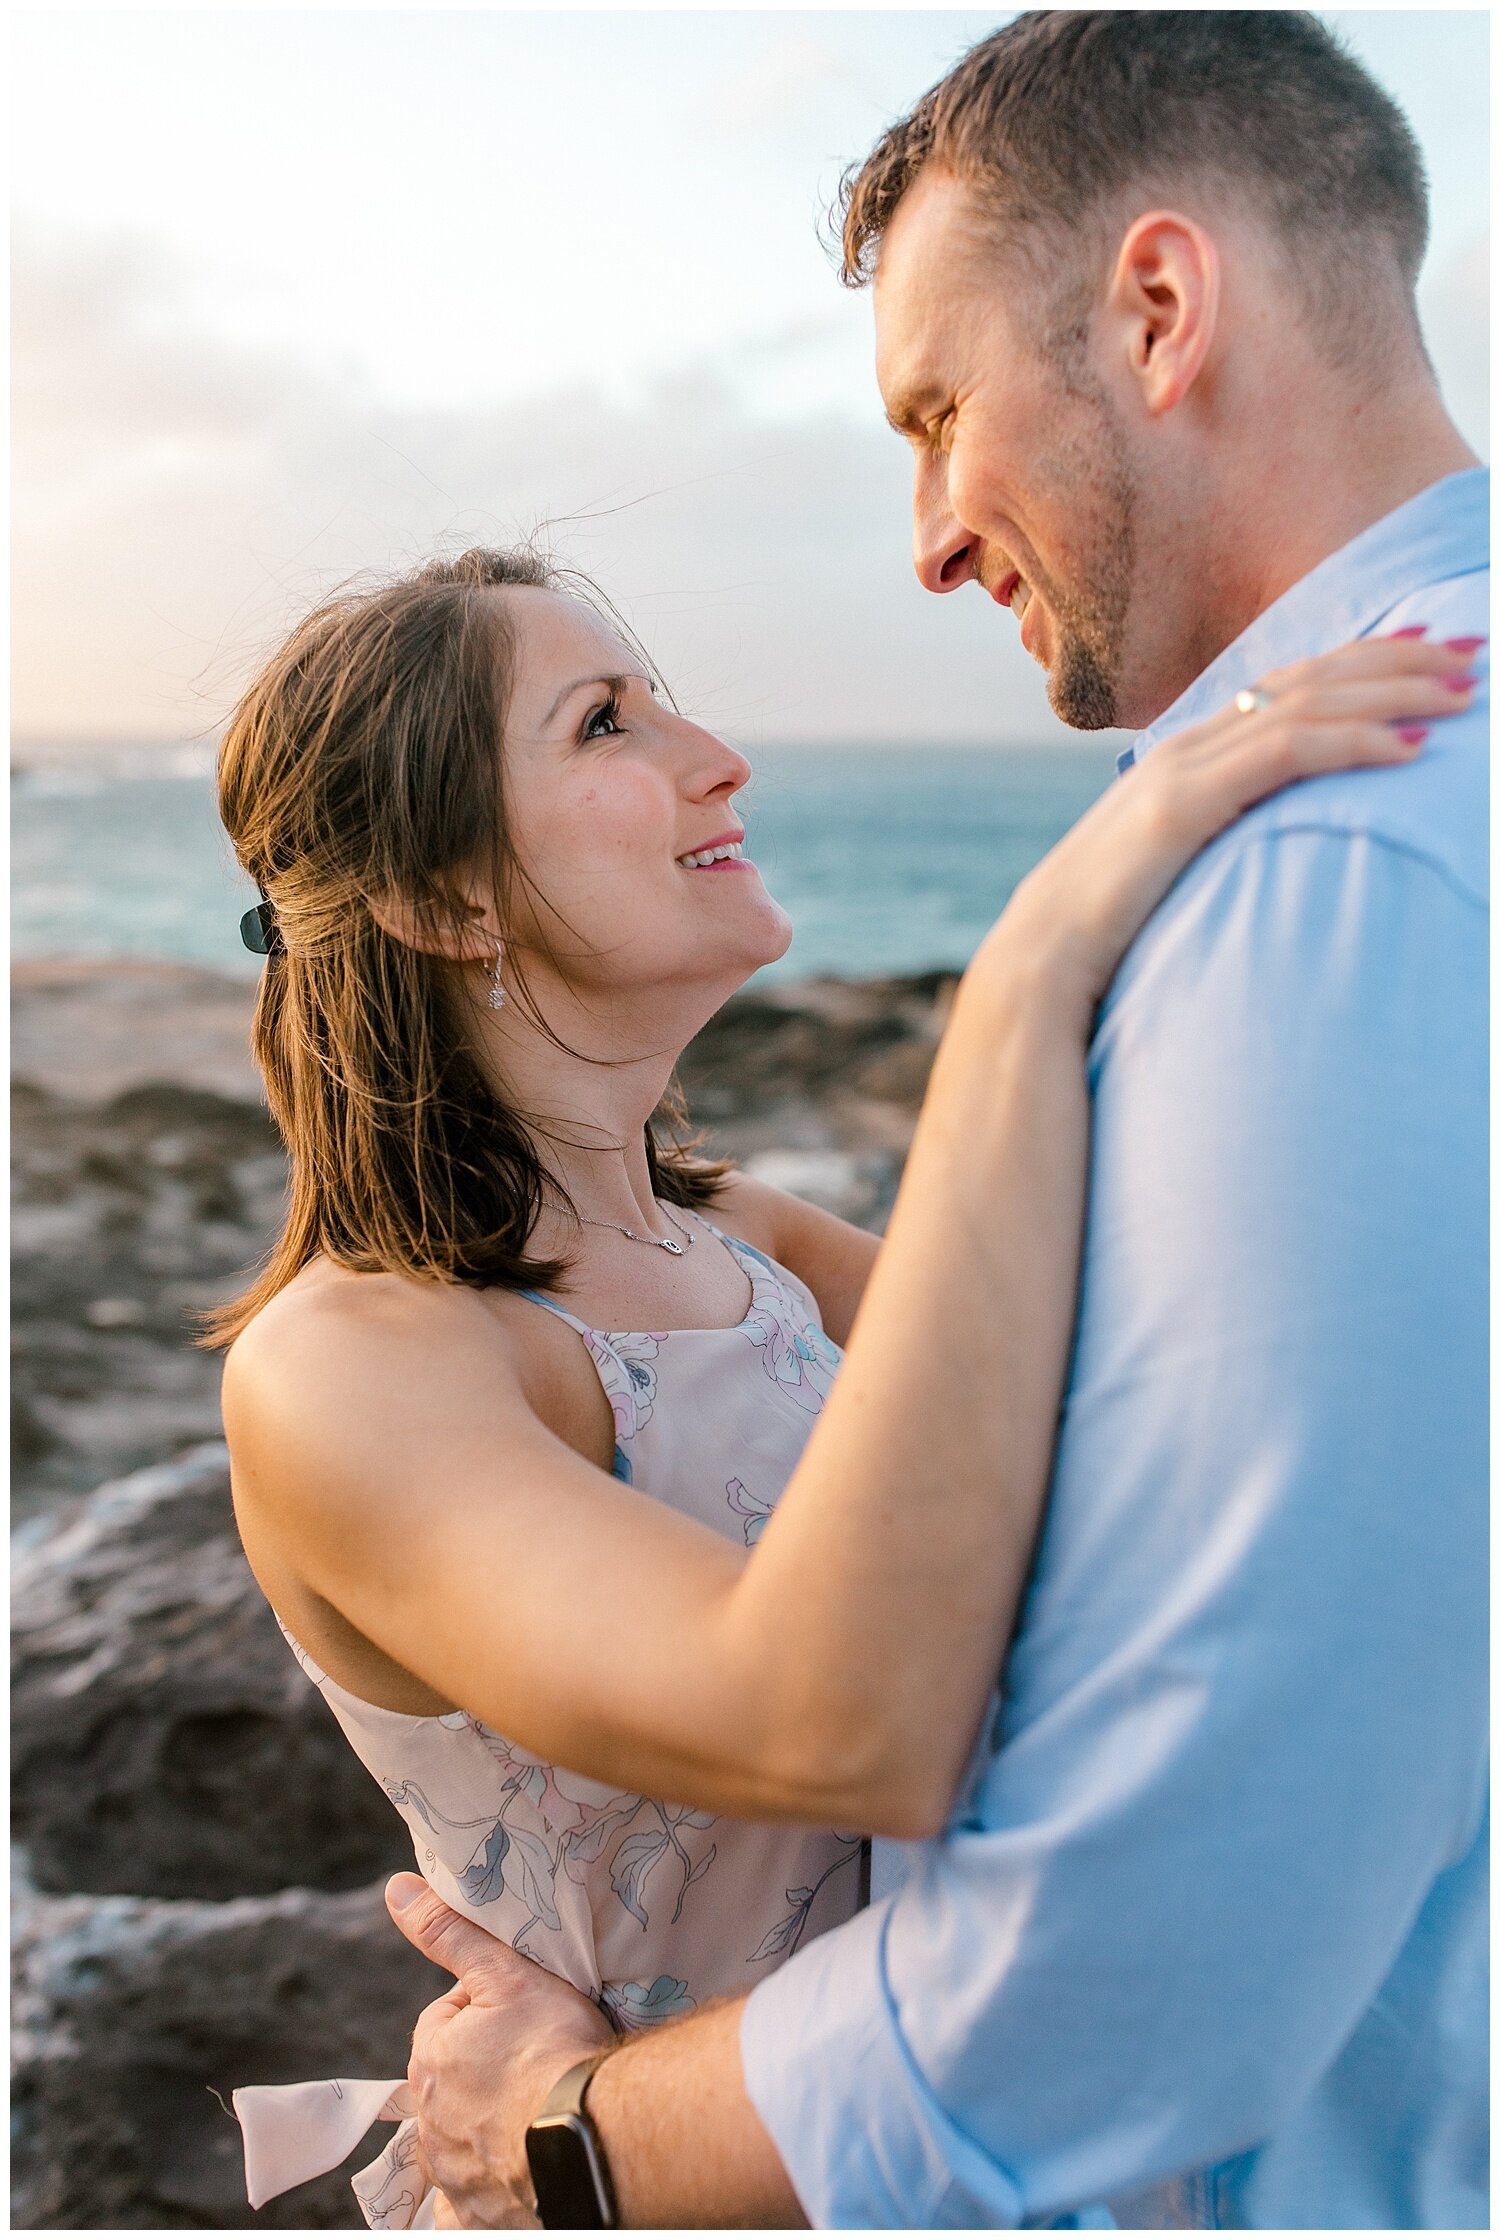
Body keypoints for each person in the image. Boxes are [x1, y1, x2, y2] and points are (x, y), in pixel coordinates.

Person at [385, 12, 1489, 2232]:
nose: (920, 539)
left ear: (1158, 311)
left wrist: (581, 2142)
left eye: (937, 411)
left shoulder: (1334, 861)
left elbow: (1140, 1951)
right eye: (610, 717)